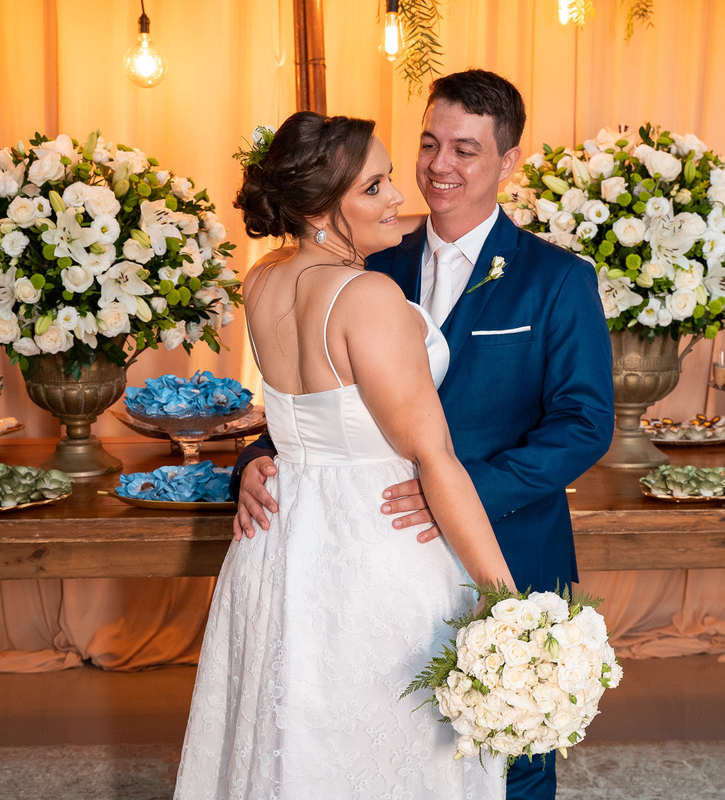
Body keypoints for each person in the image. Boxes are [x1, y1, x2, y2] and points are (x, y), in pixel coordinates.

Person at [233, 70, 614, 800]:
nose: (439, 167)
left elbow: (585, 422)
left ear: (508, 161)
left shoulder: (557, 278)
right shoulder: (366, 256)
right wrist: (256, 458)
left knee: (514, 749)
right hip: (364, 556)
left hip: (501, 536)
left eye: (466, 150)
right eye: (430, 143)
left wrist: (456, 493)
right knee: (370, 746)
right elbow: (308, 398)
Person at [174, 111, 514, 798]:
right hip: (376, 542)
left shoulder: (263, 279)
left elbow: (293, 413)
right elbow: (434, 457)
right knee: (395, 742)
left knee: (289, 731)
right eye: (375, 188)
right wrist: (507, 603)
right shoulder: (368, 295)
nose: (398, 198)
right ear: (322, 210)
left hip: (281, 538)